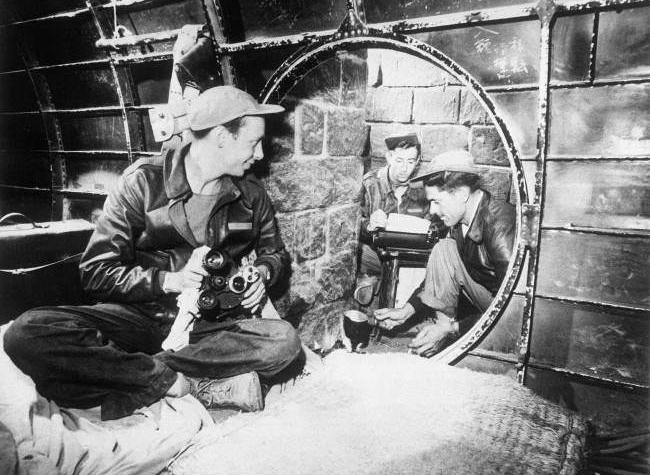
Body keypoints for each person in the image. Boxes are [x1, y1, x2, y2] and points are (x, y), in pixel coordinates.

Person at [4, 86, 302, 420]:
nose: (260, 155)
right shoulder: (142, 183)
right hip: (140, 316)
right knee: (26, 332)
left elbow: (275, 255)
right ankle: (177, 381)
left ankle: (140, 378)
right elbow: (96, 271)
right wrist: (170, 280)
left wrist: (261, 274)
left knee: (284, 341)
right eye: (253, 142)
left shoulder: (251, 195)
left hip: (209, 327)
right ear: (220, 136)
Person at [374, 150, 515, 357]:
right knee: (444, 248)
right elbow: (439, 276)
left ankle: (449, 334)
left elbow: (513, 308)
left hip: (508, 311)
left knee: (445, 248)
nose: (432, 210)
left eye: (437, 201)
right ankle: (439, 334)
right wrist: (407, 311)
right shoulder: (458, 222)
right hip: (489, 300)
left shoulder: (500, 225)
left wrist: (456, 328)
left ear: (461, 194)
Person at [355, 133, 429, 304]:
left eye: (411, 162)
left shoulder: (423, 190)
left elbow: (433, 225)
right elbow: (354, 224)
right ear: (389, 157)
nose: (405, 168)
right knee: (356, 251)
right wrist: (369, 225)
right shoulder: (370, 184)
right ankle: (378, 278)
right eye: (399, 161)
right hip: (376, 254)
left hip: (410, 258)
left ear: (417, 162)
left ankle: (374, 280)